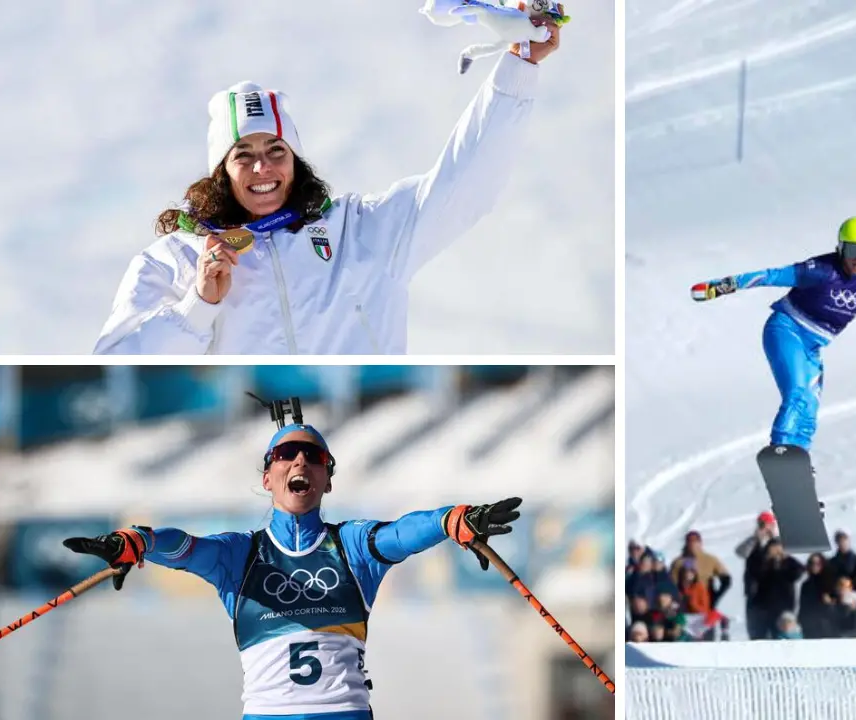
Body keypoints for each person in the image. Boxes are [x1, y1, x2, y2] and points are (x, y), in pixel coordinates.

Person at [93, 17, 563, 355]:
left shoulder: (360, 230)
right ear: (221, 171)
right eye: (243, 155)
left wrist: (519, 65)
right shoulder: (175, 260)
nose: (262, 168)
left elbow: (465, 180)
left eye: (276, 150)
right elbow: (115, 357)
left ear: (296, 160)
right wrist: (199, 305)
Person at [62, 420, 522, 720]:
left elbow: (402, 533)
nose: (300, 460)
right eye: (286, 454)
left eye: (314, 456)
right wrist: (139, 541)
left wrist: (450, 520)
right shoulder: (240, 555)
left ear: (327, 479)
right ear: (267, 478)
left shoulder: (352, 546)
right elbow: (184, 548)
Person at [689, 217, 856, 454]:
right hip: (787, 330)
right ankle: (780, 452)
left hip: (813, 347)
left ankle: (798, 462)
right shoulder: (821, 270)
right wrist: (722, 286)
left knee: (809, 411)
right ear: (841, 247)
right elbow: (771, 275)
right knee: (797, 394)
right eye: (853, 251)